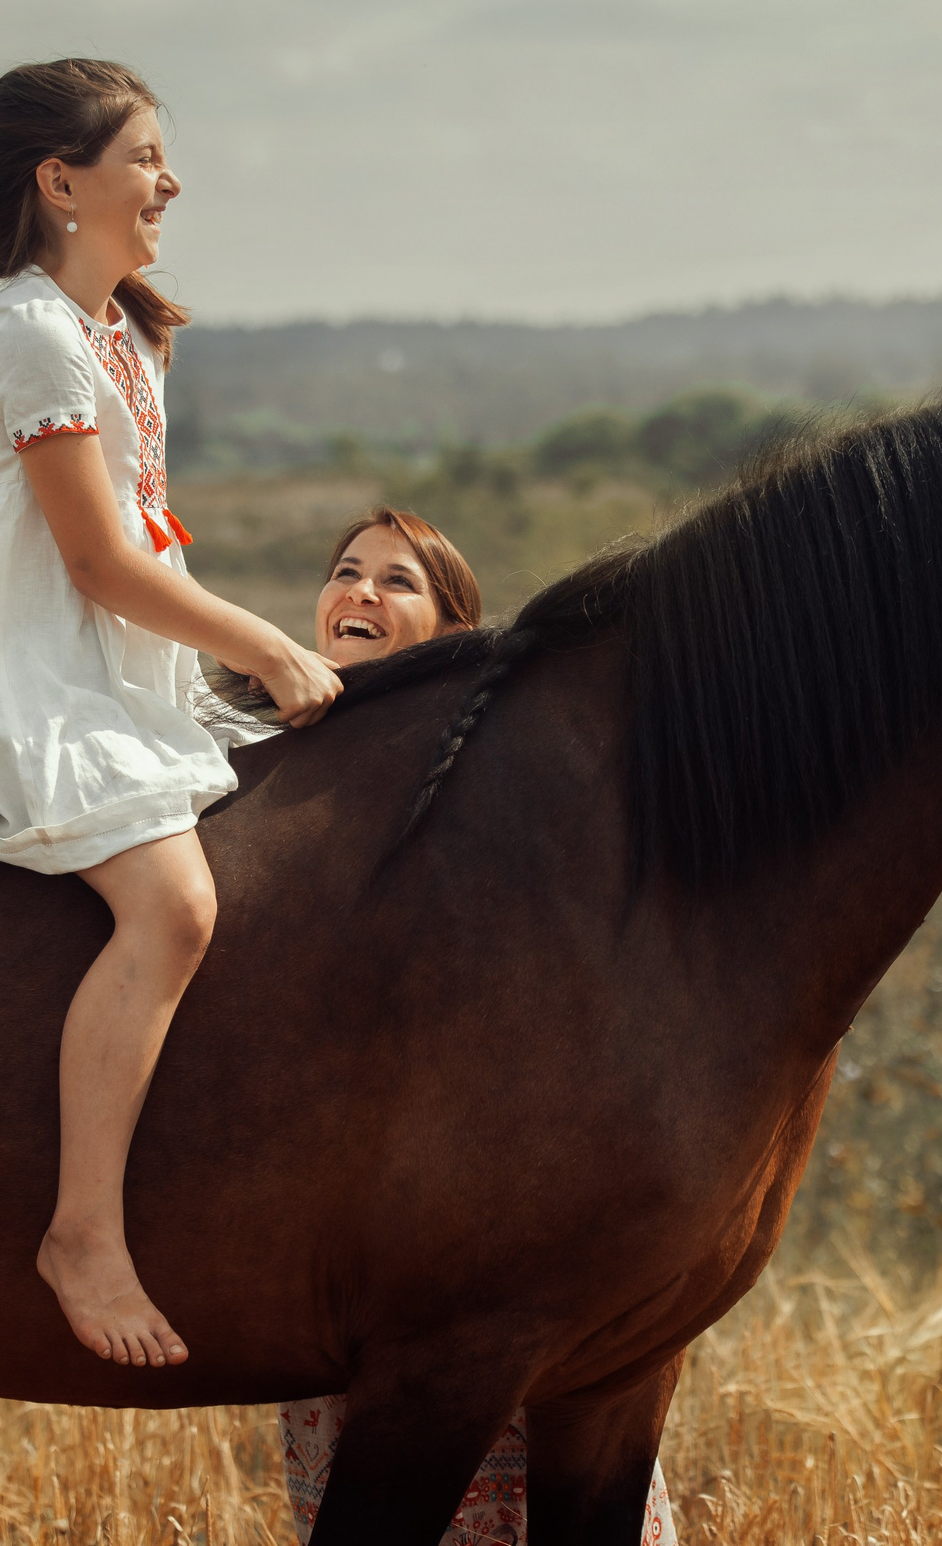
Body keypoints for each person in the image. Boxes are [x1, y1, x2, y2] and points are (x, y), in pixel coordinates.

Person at [0, 59, 341, 1370]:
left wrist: (218, 669)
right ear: (61, 180)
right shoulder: (27, 333)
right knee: (175, 904)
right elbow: (93, 563)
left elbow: (148, 550)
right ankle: (81, 1229)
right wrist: (265, 644)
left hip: (120, 663)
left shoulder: (119, 335)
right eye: (146, 156)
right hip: (28, 669)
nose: (169, 182)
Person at [270, 509, 678, 1546]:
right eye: (345, 572)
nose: (358, 592)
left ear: (455, 629)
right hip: (339, 1230)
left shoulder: (487, 790)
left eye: (395, 581)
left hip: (485, 1219)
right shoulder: (270, 756)